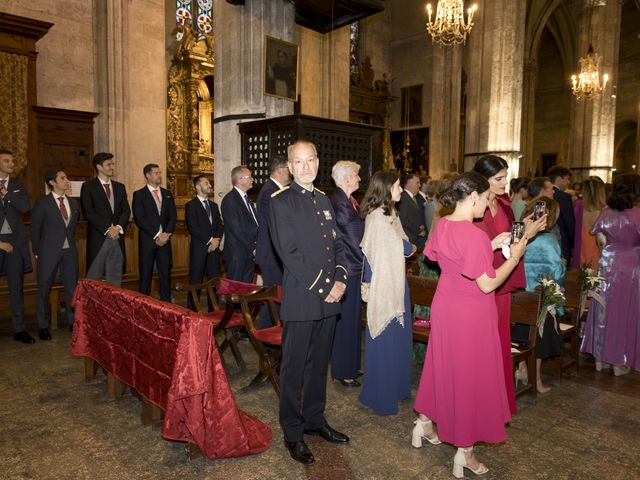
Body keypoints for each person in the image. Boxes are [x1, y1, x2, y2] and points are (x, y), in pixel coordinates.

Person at [413, 172, 527, 478]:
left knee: (443, 365)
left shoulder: (444, 223)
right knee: (470, 378)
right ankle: (465, 452)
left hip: (445, 305)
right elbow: (488, 284)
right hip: (471, 312)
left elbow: (446, 258)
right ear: (474, 196)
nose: (488, 204)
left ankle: (423, 423)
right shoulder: (473, 234)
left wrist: (490, 244)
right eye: (487, 198)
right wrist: (513, 258)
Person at [269, 141, 349, 466]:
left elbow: (338, 243)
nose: (305, 167)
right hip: (304, 299)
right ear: (290, 166)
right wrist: (326, 287)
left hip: (329, 300)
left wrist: (341, 279)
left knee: (319, 365)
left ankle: (315, 419)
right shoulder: (281, 202)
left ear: (318, 162)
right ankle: (292, 430)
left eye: (310, 160)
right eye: (298, 162)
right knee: (293, 368)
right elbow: (290, 255)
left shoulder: (324, 200)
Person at [472, 155, 546, 414]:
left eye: (506, 177)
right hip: (482, 282)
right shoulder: (472, 206)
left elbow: (510, 237)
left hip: (502, 280)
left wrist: (528, 229)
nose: (506, 183)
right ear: (483, 179)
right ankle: (479, 400)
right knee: (482, 343)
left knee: (499, 341)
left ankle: (495, 401)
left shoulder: (503, 203)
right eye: (499, 178)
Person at [359, 170, 414, 415]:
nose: (401, 190)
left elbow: (402, 243)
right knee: (385, 337)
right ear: (386, 188)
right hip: (384, 286)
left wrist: (407, 245)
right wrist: (408, 246)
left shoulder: (390, 213)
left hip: (397, 283)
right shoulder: (377, 218)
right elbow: (399, 246)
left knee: (398, 339)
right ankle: (382, 395)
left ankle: (398, 388)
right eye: (398, 186)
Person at [581, 173, 640, 376]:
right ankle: (619, 362)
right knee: (625, 312)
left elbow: (595, 233)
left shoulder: (606, 211)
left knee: (603, 311)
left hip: (607, 264)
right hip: (630, 267)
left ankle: (600, 359)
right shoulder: (638, 213)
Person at [520, 196, 565, 393]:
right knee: (539, 340)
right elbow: (557, 273)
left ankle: (521, 370)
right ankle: (535, 379)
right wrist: (562, 265)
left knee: (521, 335)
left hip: (519, 296)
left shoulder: (520, 234)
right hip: (540, 299)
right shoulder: (549, 240)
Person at [31, 169, 79, 337]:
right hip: (47, 252)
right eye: (63, 178)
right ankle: (43, 326)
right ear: (52, 182)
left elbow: (71, 229)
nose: (67, 180)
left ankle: (73, 323)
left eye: (67, 177)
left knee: (72, 288)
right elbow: (35, 229)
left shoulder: (73, 203)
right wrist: (37, 252)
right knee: (44, 288)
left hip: (69, 252)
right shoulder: (42, 203)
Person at [329, 160, 365, 387]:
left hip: (354, 266)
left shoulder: (349, 200)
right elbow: (354, 239)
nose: (359, 179)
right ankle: (343, 370)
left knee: (352, 320)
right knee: (345, 322)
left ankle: (351, 366)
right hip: (348, 267)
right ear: (346, 178)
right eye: (356, 175)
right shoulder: (339, 202)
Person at [81, 152, 131, 286]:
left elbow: (126, 210)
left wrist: (118, 227)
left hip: (117, 237)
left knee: (115, 278)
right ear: (99, 167)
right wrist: (108, 229)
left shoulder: (120, 187)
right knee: (94, 279)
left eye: (112, 164)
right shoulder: (89, 186)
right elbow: (88, 212)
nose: (112, 167)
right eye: (108, 164)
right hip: (99, 237)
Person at [0, 149, 34, 343]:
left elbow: (25, 208)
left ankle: (19, 329)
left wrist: (6, 194)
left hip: (14, 246)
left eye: (12, 161)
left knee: (16, 289)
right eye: (6, 161)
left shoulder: (17, 186)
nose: (11, 164)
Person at [132, 164, 177, 302]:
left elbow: (173, 217)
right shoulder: (139, 194)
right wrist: (157, 235)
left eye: (160, 172)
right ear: (148, 176)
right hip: (148, 241)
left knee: (165, 275)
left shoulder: (167, 194)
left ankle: (166, 305)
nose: (159, 175)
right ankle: (143, 305)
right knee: (145, 275)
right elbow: (139, 219)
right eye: (156, 173)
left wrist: (166, 234)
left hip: (165, 241)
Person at [255, 156, 290, 326]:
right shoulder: (270, 191)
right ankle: (269, 340)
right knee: (272, 296)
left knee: (275, 295)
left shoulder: (274, 190)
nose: (290, 173)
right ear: (279, 170)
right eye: (288, 169)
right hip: (270, 254)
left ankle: (273, 334)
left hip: (274, 253)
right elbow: (276, 223)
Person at [184, 175, 223, 307]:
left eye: (209, 183)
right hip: (199, 249)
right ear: (198, 187)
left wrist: (216, 240)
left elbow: (219, 225)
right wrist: (210, 240)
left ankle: (214, 312)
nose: (209, 185)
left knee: (214, 282)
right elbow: (193, 227)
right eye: (206, 183)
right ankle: (192, 313)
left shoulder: (214, 205)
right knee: (196, 282)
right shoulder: (191, 205)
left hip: (214, 249)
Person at [221, 166, 258, 282]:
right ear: (240, 180)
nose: (252, 179)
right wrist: (253, 247)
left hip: (249, 252)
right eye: (250, 177)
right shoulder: (230, 200)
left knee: (246, 291)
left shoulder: (247, 199)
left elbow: (254, 223)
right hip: (237, 253)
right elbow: (236, 229)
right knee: (235, 291)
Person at [572, 176, 606, 269]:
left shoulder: (578, 205)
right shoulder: (605, 209)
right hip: (598, 246)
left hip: (581, 245)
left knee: (582, 277)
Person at [548, 165, 576, 264]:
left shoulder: (543, 194)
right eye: (567, 179)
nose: (569, 182)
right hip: (562, 244)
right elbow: (570, 224)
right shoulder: (564, 197)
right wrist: (572, 245)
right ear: (559, 179)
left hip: (546, 244)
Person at [398, 173, 424, 247]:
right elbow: (403, 219)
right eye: (417, 183)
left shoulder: (411, 197)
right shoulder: (404, 197)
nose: (419, 185)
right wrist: (418, 229)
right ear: (409, 183)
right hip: (409, 238)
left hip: (413, 237)